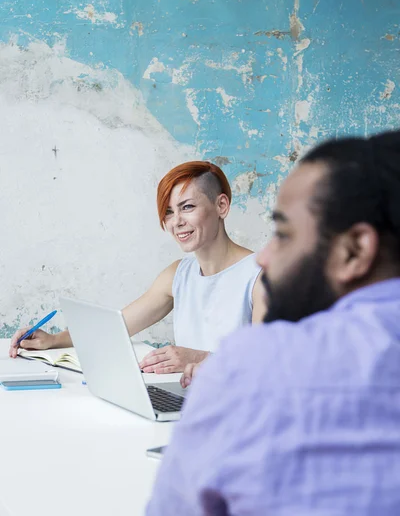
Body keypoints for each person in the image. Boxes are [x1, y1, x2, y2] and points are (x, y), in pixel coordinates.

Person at [147, 129, 400, 515]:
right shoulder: (180, 274)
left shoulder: (252, 366)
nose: (264, 257)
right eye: (170, 211)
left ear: (356, 250)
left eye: (283, 234)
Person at [9, 161, 264, 373]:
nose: (177, 222)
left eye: (187, 207)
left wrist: (200, 359)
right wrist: (54, 340)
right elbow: (116, 326)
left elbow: (269, 365)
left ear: (221, 205)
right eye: (168, 212)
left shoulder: (261, 277)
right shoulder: (178, 274)